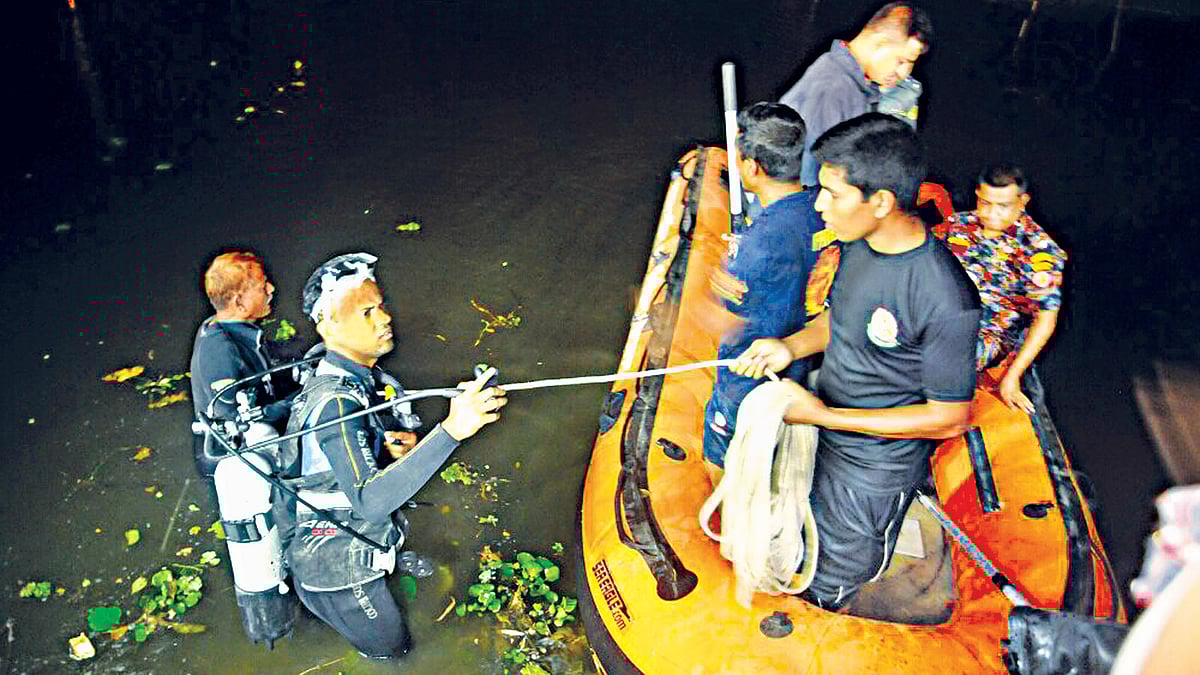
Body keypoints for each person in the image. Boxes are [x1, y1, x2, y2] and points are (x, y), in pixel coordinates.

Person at [733, 114, 980, 609]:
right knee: (795, 535)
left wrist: (822, 415)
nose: (819, 204)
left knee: (828, 583)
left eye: (833, 193)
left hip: (872, 472)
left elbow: (950, 417)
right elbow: (839, 319)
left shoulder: (945, 298)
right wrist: (791, 347)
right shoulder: (858, 245)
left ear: (882, 202)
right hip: (823, 429)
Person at [280, 252, 505, 660]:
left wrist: (398, 445)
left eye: (381, 306)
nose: (384, 318)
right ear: (329, 326)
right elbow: (369, 501)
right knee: (397, 654)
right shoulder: (336, 404)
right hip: (337, 574)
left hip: (360, 535)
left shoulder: (361, 379)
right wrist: (452, 430)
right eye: (367, 312)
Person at [704, 102, 824, 480]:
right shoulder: (820, 206)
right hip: (800, 356)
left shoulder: (759, 245)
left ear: (752, 167)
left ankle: (720, 516)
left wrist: (714, 284)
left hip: (751, 368)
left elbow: (725, 315)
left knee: (719, 454)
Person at [933, 165, 1067, 413]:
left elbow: (1046, 319)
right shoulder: (959, 224)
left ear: (1022, 201)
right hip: (937, 313)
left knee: (937, 364)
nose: (991, 213)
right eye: (985, 202)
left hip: (987, 330)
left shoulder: (1038, 249)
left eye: (1003, 206)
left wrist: (1012, 377)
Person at [779, 2, 933, 187]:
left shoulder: (856, 85)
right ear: (879, 42)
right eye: (901, 61)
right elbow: (807, 181)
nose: (904, 73)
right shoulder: (832, 88)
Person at [189, 251, 292, 476]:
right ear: (239, 302)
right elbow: (236, 419)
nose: (271, 290)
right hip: (241, 458)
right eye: (262, 286)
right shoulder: (219, 351)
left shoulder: (229, 327)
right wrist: (296, 403)